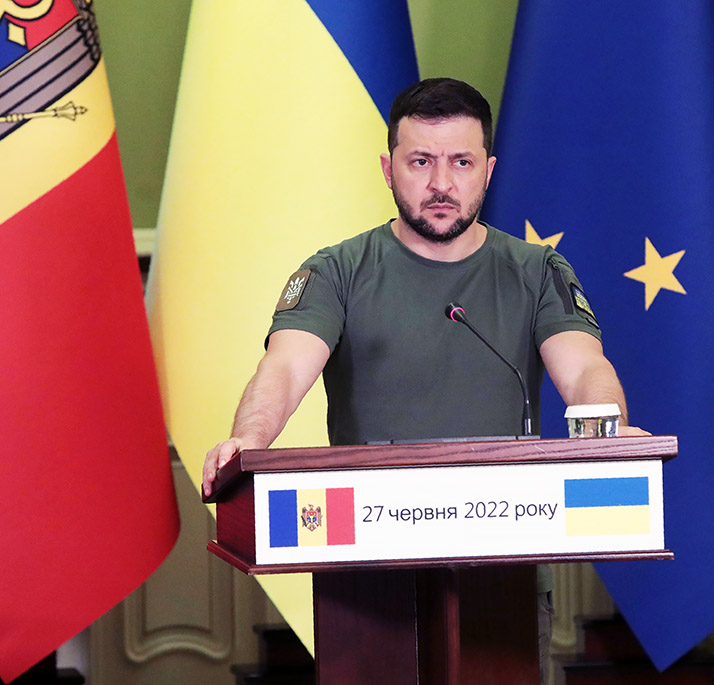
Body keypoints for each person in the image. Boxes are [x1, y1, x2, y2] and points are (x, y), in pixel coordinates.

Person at [202, 77, 647, 683]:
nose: (442, 184)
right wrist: (248, 440)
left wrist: (607, 429)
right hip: (365, 575)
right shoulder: (336, 271)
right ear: (388, 169)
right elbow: (283, 366)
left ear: (488, 170)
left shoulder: (537, 271)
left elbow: (587, 369)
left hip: (505, 570)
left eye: (461, 162)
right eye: (421, 162)